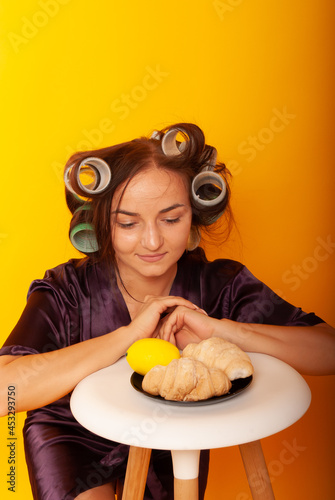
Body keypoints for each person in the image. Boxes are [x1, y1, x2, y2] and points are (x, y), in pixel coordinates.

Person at [0, 123, 334, 500]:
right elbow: (4, 392)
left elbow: (328, 349)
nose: (153, 241)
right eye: (128, 223)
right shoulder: (66, 290)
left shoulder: (219, 284)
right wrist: (127, 337)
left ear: (194, 217)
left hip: (170, 436)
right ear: (103, 226)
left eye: (171, 219)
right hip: (72, 433)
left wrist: (224, 331)